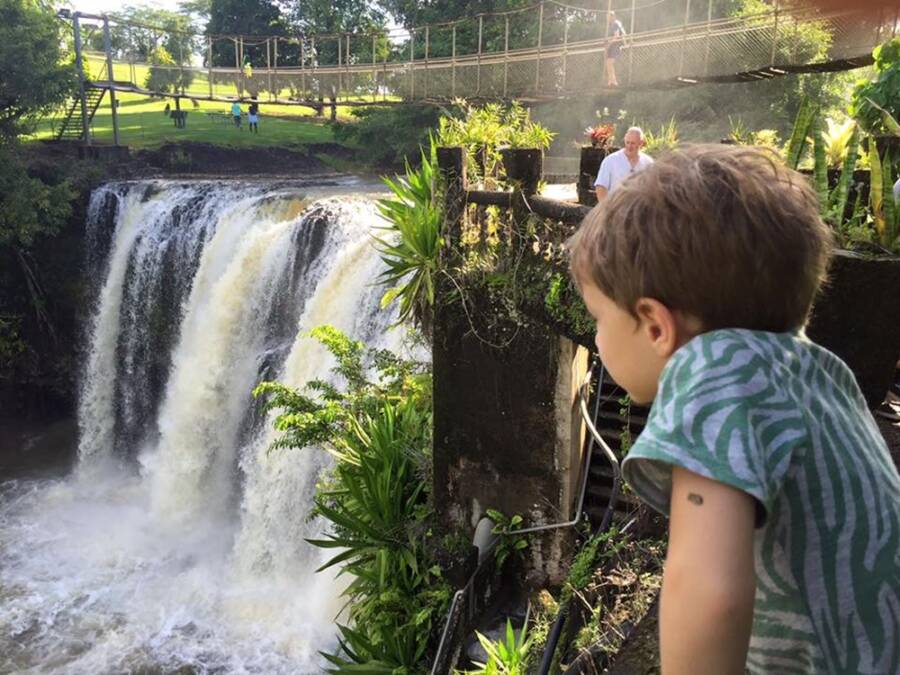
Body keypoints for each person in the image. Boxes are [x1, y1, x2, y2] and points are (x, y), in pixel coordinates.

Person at [569, 144, 900, 675]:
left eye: (599, 320)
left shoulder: (711, 374)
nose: (596, 338)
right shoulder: (815, 368)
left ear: (655, 326)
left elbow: (708, 592)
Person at [594, 127, 653, 201]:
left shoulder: (648, 163)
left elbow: (653, 189)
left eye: (633, 143)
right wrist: (605, 209)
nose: (629, 146)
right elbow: (601, 187)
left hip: (639, 210)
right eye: (627, 142)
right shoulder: (610, 161)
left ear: (641, 143)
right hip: (615, 208)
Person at [605, 11, 626, 87]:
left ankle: (614, 81)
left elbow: (616, 36)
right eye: (607, 17)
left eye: (609, 17)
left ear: (613, 17)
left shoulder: (615, 23)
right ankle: (611, 80)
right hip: (613, 45)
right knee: (608, 63)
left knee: (610, 62)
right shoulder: (612, 25)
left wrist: (609, 43)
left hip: (616, 45)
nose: (608, 19)